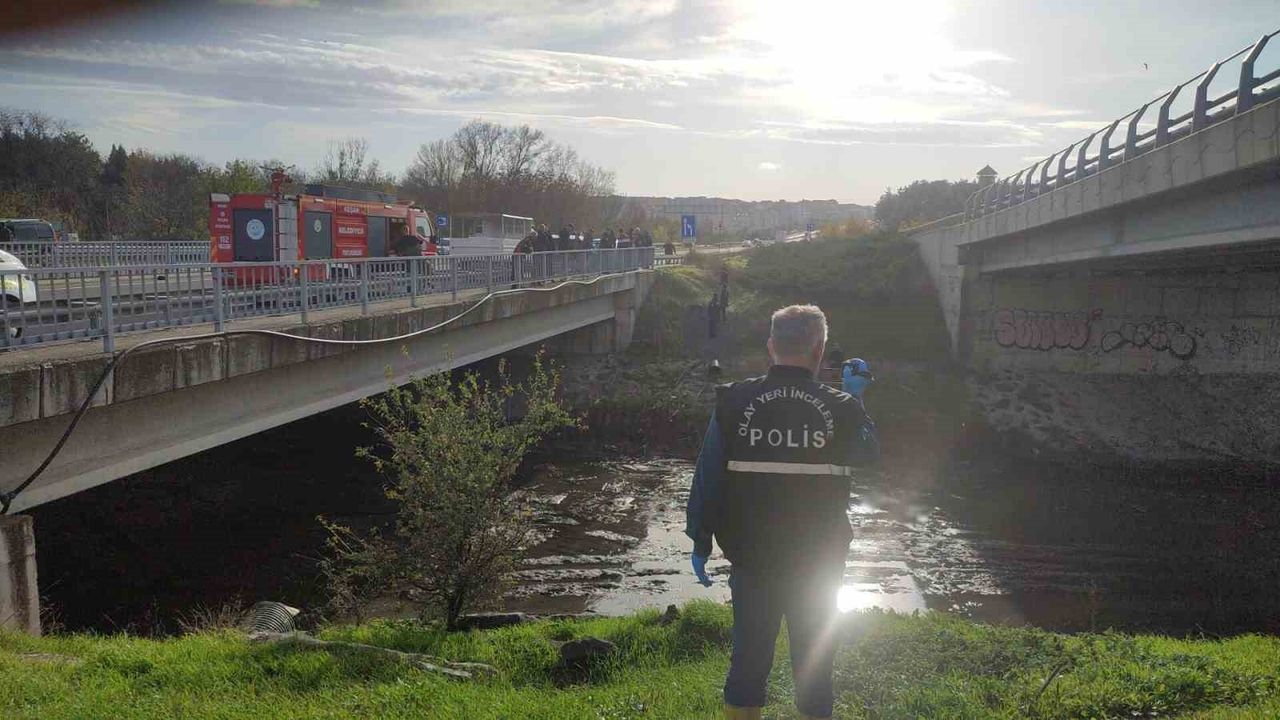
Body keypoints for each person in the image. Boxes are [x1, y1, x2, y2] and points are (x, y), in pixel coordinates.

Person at [685, 305, 879, 720]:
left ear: (771, 346)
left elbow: (707, 476)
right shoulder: (842, 408)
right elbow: (869, 454)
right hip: (819, 563)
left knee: (748, 664)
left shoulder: (735, 402)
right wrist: (857, 400)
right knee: (814, 669)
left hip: (754, 560)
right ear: (820, 350)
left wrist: (700, 540)